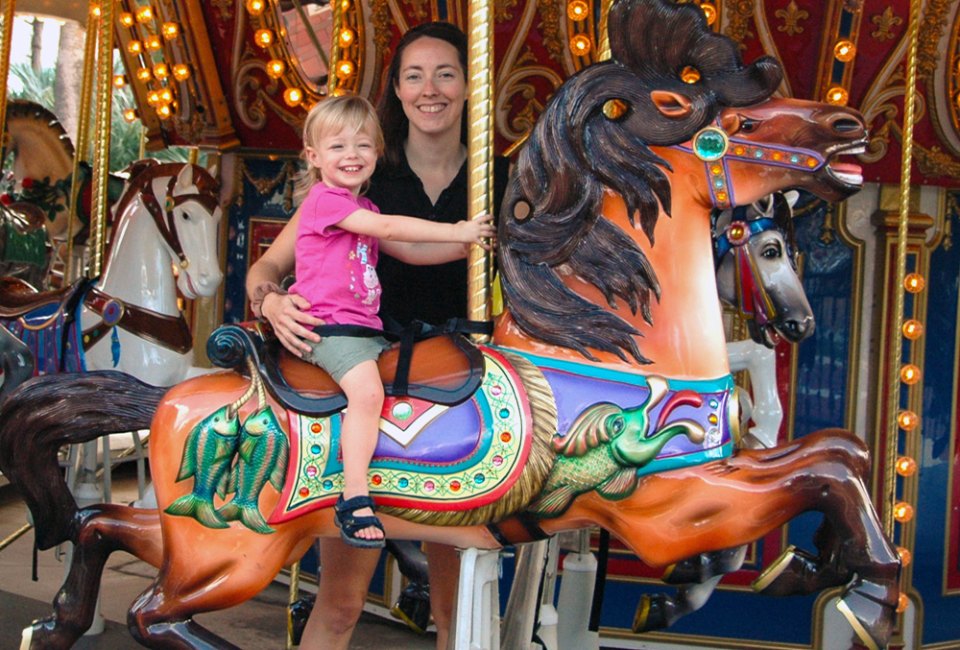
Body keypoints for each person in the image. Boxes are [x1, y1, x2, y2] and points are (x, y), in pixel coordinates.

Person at [246, 22, 508, 650]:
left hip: (463, 386)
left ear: (469, 84)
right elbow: (267, 268)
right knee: (340, 600)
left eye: (446, 73)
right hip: (372, 367)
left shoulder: (501, 178)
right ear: (397, 88)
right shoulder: (361, 181)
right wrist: (273, 303)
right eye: (415, 75)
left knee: (460, 606)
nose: (431, 89)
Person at [288, 93, 493, 548]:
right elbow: (391, 232)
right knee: (367, 393)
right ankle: (354, 496)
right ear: (314, 156)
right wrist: (458, 229)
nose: (351, 155)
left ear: (378, 153)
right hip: (329, 330)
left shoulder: (366, 210)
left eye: (363, 145)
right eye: (337, 146)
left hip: (364, 332)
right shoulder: (325, 202)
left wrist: (467, 248)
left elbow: (411, 252)